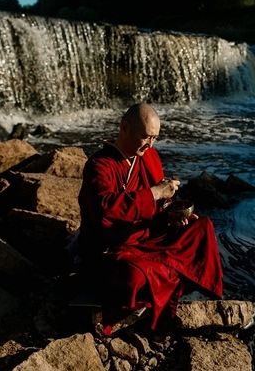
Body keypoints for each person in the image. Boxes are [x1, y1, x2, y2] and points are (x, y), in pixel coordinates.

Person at [77, 103, 223, 334]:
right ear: (124, 127)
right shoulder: (100, 165)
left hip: (148, 236)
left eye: (155, 138)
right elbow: (105, 210)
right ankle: (141, 305)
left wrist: (171, 215)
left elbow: (158, 207)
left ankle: (153, 294)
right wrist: (156, 192)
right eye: (145, 137)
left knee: (201, 227)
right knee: (134, 275)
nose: (151, 144)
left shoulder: (150, 156)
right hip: (113, 247)